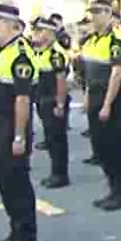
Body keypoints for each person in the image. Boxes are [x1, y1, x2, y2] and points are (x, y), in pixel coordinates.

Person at [0, 3, 40, 241]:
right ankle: (15, 231)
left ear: (12, 26)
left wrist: (19, 136)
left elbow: (23, 100)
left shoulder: (20, 55)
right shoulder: (2, 51)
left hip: (11, 127)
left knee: (17, 183)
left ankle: (27, 238)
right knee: (6, 182)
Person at [82, 0, 121, 211]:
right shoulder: (92, 40)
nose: (93, 16)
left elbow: (117, 73)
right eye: (92, 12)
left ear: (109, 14)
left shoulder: (116, 39)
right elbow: (88, 75)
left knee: (114, 147)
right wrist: (87, 97)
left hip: (111, 98)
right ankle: (112, 190)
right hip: (95, 96)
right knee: (101, 147)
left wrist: (107, 104)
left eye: (98, 12)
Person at [32, 16, 70, 188]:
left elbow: (61, 80)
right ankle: (55, 172)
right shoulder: (40, 51)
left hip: (53, 100)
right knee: (50, 138)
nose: (37, 34)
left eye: (40, 31)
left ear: (49, 33)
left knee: (57, 139)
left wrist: (60, 104)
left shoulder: (56, 53)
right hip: (42, 100)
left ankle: (60, 174)